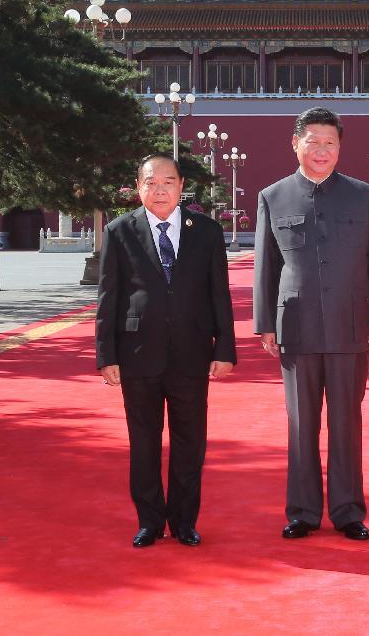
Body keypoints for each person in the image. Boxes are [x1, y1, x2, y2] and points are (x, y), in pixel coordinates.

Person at [254, 107, 369, 541]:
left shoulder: (362, 195)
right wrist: (266, 323)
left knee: (346, 421)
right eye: (312, 141)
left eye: (329, 143)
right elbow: (266, 267)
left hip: (350, 324)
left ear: (340, 148)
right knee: (301, 424)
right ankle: (302, 511)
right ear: (294, 144)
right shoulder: (272, 197)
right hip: (295, 326)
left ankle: (348, 510)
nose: (321, 150)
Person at [96, 154, 236, 548]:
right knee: (143, 441)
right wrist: (106, 355)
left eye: (168, 182)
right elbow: (109, 298)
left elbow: (218, 295)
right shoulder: (120, 231)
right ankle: (149, 521)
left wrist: (223, 348)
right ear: (138, 187)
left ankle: (185, 521)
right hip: (137, 352)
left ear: (181, 185)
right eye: (151, 183)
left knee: (190, 441)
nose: (160, 190)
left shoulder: (206, 232)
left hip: (191, 352)